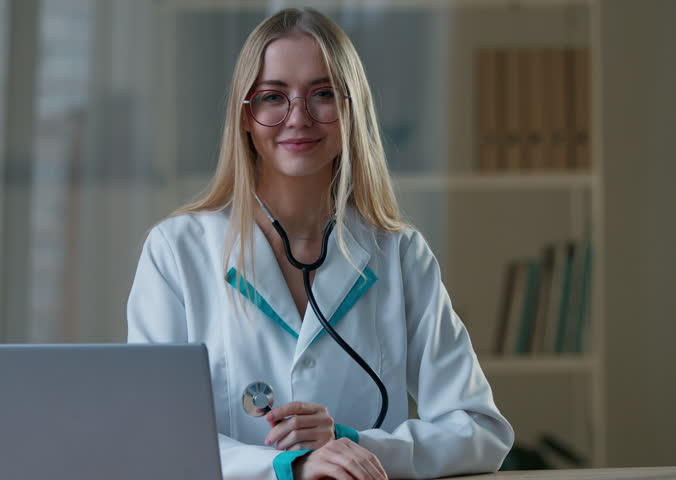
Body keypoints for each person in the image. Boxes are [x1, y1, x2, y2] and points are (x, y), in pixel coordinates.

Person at [127, 7, 513, 480]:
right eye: (273, 96)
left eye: (323, 94)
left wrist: (351, 444)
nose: (298, 117)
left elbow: (479, 431)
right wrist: (290, 465)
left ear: (351, 110)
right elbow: (155, 436)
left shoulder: (400, 254)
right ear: (245, 117)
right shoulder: (177, 251)